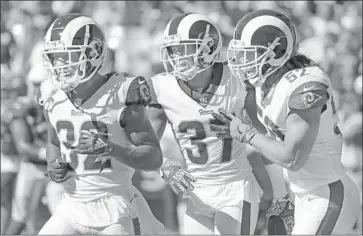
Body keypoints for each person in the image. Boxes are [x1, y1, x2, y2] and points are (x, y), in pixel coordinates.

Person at [212, 9, 361, 234]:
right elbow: (268, 143)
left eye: (250, 54)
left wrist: (245, 132)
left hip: (327, 193)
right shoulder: (264, 80)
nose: (242, 61)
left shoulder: (305, 87)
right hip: (301, 191)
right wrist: (280, 197)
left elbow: (293, 159)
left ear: (276, 53)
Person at [37, 13, 164, 235]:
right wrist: (53, 165)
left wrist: (110, 148)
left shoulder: (122, 92)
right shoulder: (51, 93)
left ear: (92, 53)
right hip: (72, 206)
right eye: (56, 56)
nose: (60, 64)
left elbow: (154, 158)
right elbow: (53, 142)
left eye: (68, 56)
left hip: (115, 206)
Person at [146, 12, 264, 234]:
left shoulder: (237, 78)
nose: (176, 57)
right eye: (173, 50)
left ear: (208, 48)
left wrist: (278, 192)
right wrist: (163, 165)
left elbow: (265, 135)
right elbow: (145, 143)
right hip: (196, 192)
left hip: (235, 190)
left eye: (184, 49)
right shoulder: (162, 88)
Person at [5, 67, 51, 235]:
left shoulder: (60, 104)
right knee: (20, 219)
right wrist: (53, 153)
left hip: (54, 170)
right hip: (32, 167)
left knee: (53, 220)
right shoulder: (22, 108)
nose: (38, 89)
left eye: (41, 84)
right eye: (35, 84)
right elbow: (24, 147)